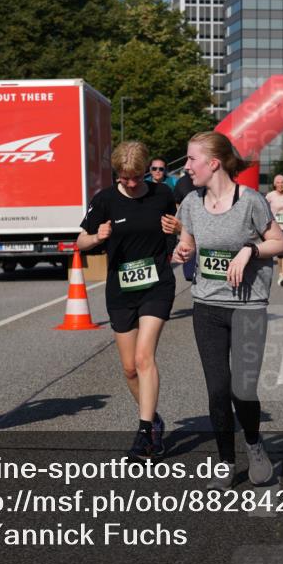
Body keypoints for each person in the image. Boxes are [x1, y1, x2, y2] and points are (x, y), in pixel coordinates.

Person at [169, 131, 283, 490]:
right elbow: (187, 243)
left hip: (248, 307)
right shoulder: (190, 202)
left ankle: (253, 444)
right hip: (206, 306)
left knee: (242, 389)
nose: (186, 166)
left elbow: (279, 242)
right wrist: (182, 253)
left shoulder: (250, 201)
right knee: (218, 390)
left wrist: (250, 250)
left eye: (191, 160)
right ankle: (224, 461)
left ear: (213, 163)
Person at [76, 141, 176, 461]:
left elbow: (181, 233)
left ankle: (145, 433)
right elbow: (81, 241)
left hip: (156, 285)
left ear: (145, 170)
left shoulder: (161, 195)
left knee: (145, 357)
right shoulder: (104, 200)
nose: (131, 183)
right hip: (120, 291)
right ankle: (154, 420)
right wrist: (97, 237)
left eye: (136, 176)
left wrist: (179, 229)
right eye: (124, 177)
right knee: (130, 368)